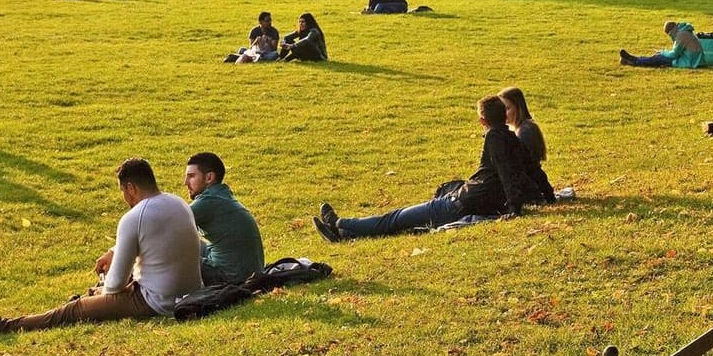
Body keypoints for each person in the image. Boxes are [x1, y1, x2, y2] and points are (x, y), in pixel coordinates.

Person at [0, 158, 203, 331]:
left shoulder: (134, 217)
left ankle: (2, 326)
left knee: (72, 311)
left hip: (158, 301)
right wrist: (114, 252)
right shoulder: (177, 203)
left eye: (123, 192)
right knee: (94, 295)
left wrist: (103, 288)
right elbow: (156, 240)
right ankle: (87, 299)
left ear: (130, 188)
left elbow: (115, 286)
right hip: (190, 292)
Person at [314, 95, 539, 240]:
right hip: (468, 200)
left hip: (458, 204)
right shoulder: (513, 139)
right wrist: (548, 195)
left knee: (395, 218)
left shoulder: (494, 139)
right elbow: (532, 167)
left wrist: (514, 208)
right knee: (401, 223)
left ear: (483, 121)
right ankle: (343, 234)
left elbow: (506, 174)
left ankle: (339, 223)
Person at [184, 152, 266, 285]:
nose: (185, 182)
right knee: (190, 243)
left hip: (231, 278)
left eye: (191, 176)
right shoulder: (221, 194)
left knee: (175, 254)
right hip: (250, 273)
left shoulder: (209, 201)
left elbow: (170, 223)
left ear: (209, 177)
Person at [499, 86, 556, 203]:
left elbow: (524, 166)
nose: (503, 114)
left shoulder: (525, 130)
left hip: (530, 186)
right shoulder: (517, 128)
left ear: (518, 107)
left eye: (507, 108)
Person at [618, 20, 703, 68]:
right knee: (658, 58)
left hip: (688, 62)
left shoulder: (681, 35)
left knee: (658, 58)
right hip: (692, 59)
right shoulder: (684, 30)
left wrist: (663, 52)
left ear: (671, 31)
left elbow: (674, 54)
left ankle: (634, 60)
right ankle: (631, 60)